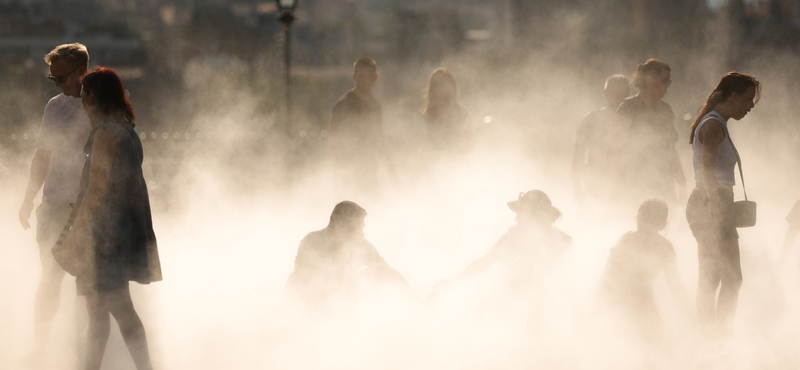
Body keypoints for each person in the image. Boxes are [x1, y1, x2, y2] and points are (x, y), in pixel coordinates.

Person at [58, 67, 162, 370]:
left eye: (83, 95)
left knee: (117, 313)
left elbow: (97, 188)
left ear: (91, 96)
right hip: (121, 232)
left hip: (102, 237)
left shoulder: (106, 135)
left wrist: (77, 231)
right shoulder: (127, 130)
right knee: (100, 315)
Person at [18, 43, 92, 358]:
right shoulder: (54, 106)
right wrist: (27, 199)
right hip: (51, 209)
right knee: (49, 281)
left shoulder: (99, 107)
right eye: (53, 80)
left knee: (87, 285)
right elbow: (42, 156)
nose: (58, 85)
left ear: (82, 73)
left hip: (85, 213)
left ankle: (86, 351)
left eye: (61, 78)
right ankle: (40, 349)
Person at [685, 72, 760, 339]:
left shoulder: (716, 123)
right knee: (727, 278)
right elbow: (707, 169)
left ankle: (711, 339)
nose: (751, 105)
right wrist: (716, 205)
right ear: (734, 96)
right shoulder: (714, 125)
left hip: (713, 202)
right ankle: (716, 340)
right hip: (711, 201)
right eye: (749, 99)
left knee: (716, 278)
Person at [429, 190, 572, 301]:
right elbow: (483, 263)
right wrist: (449, 284)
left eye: (521, 214)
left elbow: (560, 284)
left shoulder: (563, 242)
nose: (516, 218)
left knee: (483, 315)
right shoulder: (512, 238)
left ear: (535, 216)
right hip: (514, 304)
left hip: (542, 312)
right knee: (481, 313)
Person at [284, 201, 418, 316]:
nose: (362, 233)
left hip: (336, 303)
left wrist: (418, 302)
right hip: (303, 305)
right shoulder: (311, 242)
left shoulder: (360, 244)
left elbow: (388, 272)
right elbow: (306, 281)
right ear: (340, 226)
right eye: (358, 227)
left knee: (377, 272)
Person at [596, 199, 688, 343]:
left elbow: (675, 285)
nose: (644, 225)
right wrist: (598, 307)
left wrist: (689, 315)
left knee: (663, 345)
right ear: (637, 217)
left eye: (651, 221)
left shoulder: (665, 248)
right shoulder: (626, 240)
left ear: (662, 225)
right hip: (618, 298)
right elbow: (607, 276)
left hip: (643, 299)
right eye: (642, 219)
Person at [613, 59, 686, 205]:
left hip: (664, 183)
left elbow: (670, 149)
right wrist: (617, 186)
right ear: (649, 78)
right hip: (635, 183)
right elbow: (615, 150)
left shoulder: (666, 110)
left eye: (669, 82)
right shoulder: (627, 108)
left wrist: (681, 180)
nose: (667, 86)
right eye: (664, 80)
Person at [329, 58, 395, 187]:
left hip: (371, 168)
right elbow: (335, 139)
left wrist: (390, 169)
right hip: (349, 170)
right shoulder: (343, 105)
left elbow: (379, 138)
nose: (366, 80)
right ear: (355, 77)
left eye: (370, 76)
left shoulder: (375, 105)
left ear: (375, 77)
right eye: (362, 76)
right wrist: (344, 168)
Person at [572, 75, 630, 203]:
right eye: (616, 93)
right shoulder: (591, 120)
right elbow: (577, 161)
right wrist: (578, 194)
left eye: (624, 94)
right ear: (606, 94)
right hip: (596, 189)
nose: (620, 98)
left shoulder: (635, 121)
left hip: (627, 190)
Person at [422, 67, 470, 153]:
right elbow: (427, 141)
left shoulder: (461, 113)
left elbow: (467, 140)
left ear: (451, 86)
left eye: (442, 83)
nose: (438, 87)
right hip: (434, 159)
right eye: (435, 84)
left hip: (456, 159)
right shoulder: (429, 114)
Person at [779, 199, 800, 265]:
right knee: (787, 243)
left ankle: (779, 262)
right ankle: (779, 262)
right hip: (796, 223)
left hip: (795, 223)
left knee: (787, 243)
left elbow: (795, 210)